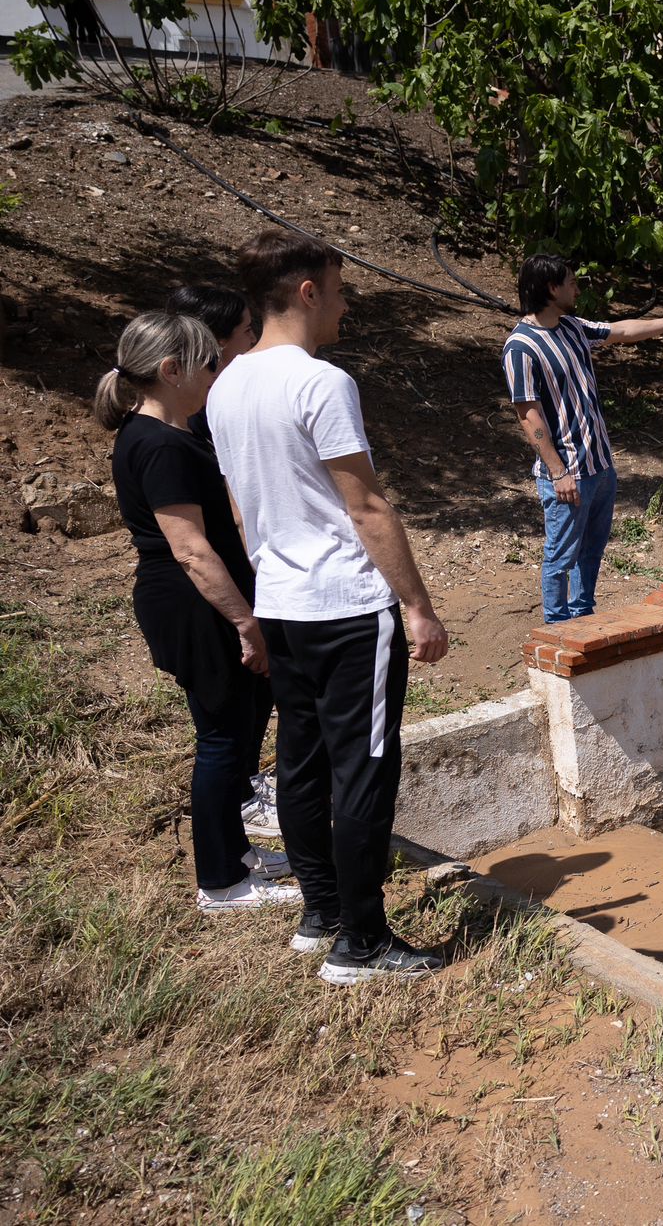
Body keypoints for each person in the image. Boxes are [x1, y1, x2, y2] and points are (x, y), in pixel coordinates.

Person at [208, 229, 451, 985]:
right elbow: (369, 508)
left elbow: (244, 510)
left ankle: (321, 915)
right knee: (365, 773)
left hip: (281, 599)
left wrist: (270, 578)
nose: (347, 305)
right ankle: (365, 942)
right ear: (307, 292)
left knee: (302, 765)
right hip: (346, 605)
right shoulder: (320, 383)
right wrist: (417, 606)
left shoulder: (225, 386)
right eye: (341, 290)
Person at [95, 311, 298, 915]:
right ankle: (222, 881)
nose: (217, 370)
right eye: (207, 361)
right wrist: (246, 620)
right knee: (221, 739)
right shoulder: (158, 444)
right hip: (194, 609)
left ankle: (235, 855)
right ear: (170, 370)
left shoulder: (164, 433)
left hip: (196, 604)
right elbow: (189, 548)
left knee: (234, 733)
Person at [503, 255, 663, 623]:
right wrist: (557, 471)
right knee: (561, 556)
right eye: (570, 282)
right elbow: (527, 415)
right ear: (551, 289)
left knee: (592, 551)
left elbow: (621, 331)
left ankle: (584, 620)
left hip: (600, 466)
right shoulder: (521, 347)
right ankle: (557, 629)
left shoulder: (572, 327)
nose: (577, 288)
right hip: (568, 472)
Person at [164, 283, 279, 838]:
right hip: (218, 582)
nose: (255, 342)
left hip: (235, 571)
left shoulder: (206, 410)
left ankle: (245, 787)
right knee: (227, 719)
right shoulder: (187, 425)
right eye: (246, 333)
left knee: (255, 694)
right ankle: (231, 823)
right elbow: (204, 529)